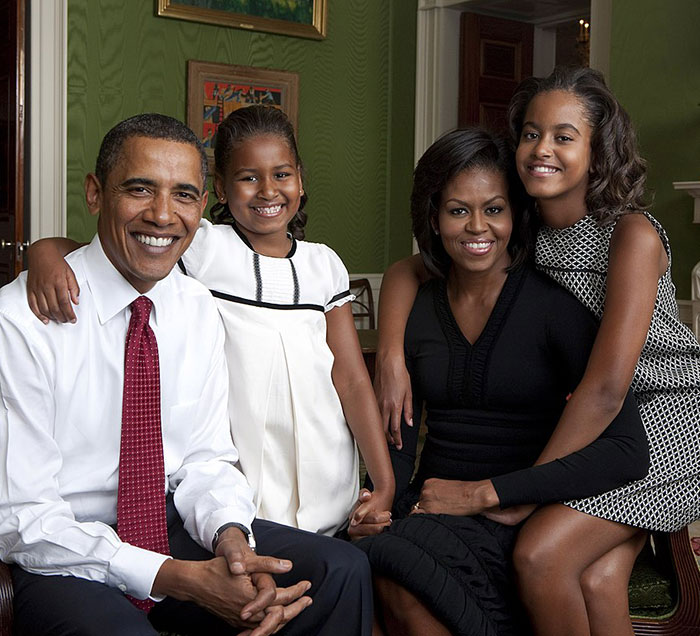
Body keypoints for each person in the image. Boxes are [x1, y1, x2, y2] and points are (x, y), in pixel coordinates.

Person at [0, 113, 373, 636]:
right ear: (95, 193)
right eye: (139, 189)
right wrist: (182, 579)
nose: (162, 215)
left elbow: (206, 459)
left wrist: (231, 540)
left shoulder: (195, 306)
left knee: (340, 571)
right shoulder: (20, 319)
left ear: (201, 205)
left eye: (183, 195)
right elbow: (21, 517)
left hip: (167, 523)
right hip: (64, 549)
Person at [372, 66, 700, 635]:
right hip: (593, 425)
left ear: (598, 152)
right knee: (599, 580)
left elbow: (606, 389)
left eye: (563, 137)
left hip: (661, 426)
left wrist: (521, 489)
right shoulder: (525, 227)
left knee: (539, 554)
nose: (542, 148)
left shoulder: (632, 235)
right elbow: (408, 270)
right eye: (530, 133)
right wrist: (391, 356)